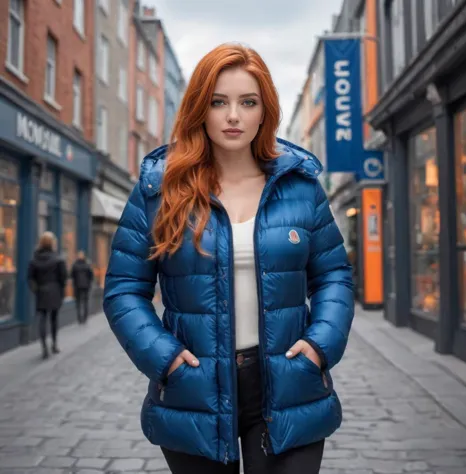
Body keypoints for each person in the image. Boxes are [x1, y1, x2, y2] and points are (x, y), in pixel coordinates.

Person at [103, 44, 354, 474]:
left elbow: (333, 275)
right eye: (219, 102)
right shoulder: (159, 190)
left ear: (264, 111)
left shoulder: (300, 187)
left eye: (247, 102)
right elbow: (125, 289)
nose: (233, 115)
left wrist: (319, 346)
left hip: (288, 382)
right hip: (194, 385)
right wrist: (165, 359)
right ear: (200, 107)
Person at [28, 231, 67, 359]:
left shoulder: (34, 259)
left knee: (42, 318)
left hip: (41, 291)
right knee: (54, 319)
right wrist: (61, 291)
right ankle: (54, 344)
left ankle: (44, 346)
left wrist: (36, 289)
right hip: (55, 290)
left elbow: (30, 277)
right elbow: (63, 277)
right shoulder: (58, 258)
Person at [71, 250, 94, 324]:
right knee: (85, 302)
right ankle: (85, 317)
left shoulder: (75, 265)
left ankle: (79, 318)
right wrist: (89, 283)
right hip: (86, 286)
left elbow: (72, 275)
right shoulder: (87, 265)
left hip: (77, 286)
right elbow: (91, 275)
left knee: (78, 302)